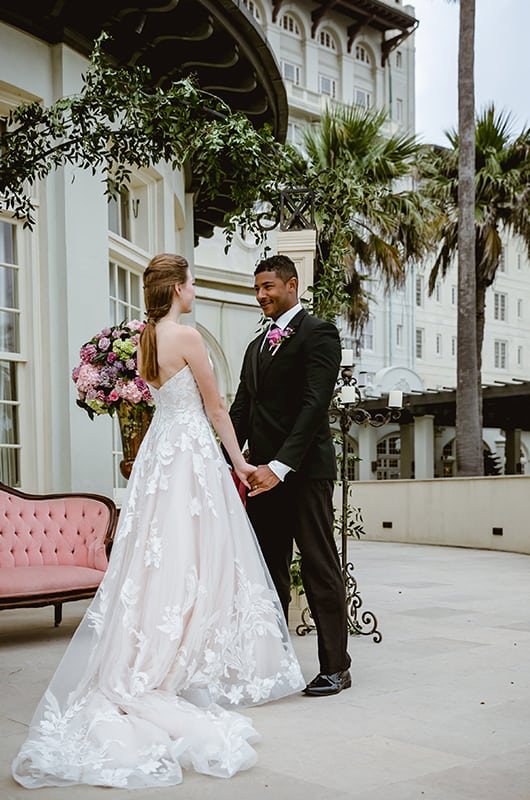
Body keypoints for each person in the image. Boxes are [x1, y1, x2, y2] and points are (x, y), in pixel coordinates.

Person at [12, 253, 305, 790]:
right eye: (190, 283)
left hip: (158, 455)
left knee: (158, 556)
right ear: (175, 288)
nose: (193, 291)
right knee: (198, 552)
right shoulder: (186, 336)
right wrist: (240, 464)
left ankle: (159, 649)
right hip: (190, 453)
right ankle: (186, 654)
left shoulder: (146, 340)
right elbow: (218, 409)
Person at [230, 254, 351, 697]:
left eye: (269, 287)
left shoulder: (319, 334)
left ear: (291, 285)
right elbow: (243, 409)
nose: (261, 295)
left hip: (302, 473)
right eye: (257, 288)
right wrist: (224, 459)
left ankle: (336, 665)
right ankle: (275, 663)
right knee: (270, 572)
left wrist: (281, 466)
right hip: (261, 477)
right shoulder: (254, 346)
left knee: (319, 567)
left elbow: (314, 405)